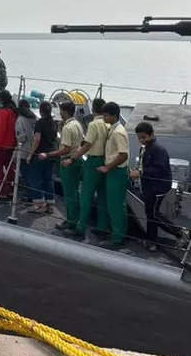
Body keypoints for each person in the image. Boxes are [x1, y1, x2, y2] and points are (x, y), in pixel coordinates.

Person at [65, 98, 110, 240]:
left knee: (86, 196)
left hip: (93, 161)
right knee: (102, 196)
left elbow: (87, 145)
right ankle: (102, 228)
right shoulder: (109, 124)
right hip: (106, 161)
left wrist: (73, 158)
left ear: (93, 109)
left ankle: (80, 228)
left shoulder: (94, 124)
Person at [39, 101, 84, 230]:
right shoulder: (77, 125)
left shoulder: (67, 127)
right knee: (74, 192)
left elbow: (65, 149)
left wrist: (48, 154)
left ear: (65, 111)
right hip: (77, 160)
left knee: (69, 194)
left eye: (61, 110)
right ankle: (74, 218)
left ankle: (71, 222)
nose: (60, 113)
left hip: (67, 161)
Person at [130, 121, 172, 252]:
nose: (142, 140)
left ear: (152, 134)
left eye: (144, 137)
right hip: (149, 186)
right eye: (140, 138)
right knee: (151, 213)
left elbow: (159, 168)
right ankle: (151, 239)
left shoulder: (158, 150)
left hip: (157, 186)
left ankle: (178, 233)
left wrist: (141, 173)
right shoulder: (145, 148)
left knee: (153, 214)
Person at [93, 102, 130, 249]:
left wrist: (107, 167)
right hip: (114, 172)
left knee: (115, 206)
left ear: (114, 116)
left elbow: (123, 155)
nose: (104, 118)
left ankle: (117, 238)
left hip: (117, 172)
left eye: (106, 115)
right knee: (114, 205)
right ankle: (117, 233)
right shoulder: (112, 129)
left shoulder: (118, 132)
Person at [26, 101, 58, 214]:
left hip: (40, 155)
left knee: (35, 179)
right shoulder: (54, 123)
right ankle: (50, 204)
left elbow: (37, 139)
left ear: (40, 111)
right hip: (51, 154)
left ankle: (38, 204)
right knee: (48, 180)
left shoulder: (40, 123)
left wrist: (30, 155)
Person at [0, 90, 19, 200]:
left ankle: (2, 192)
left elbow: (1, 129)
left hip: (2, 146)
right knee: (10, 168)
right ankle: (11, 191)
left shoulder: (3, 112)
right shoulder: (13, 111)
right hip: (11, 144)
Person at [14, 99, 38, 199]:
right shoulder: (34, 118)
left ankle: (29, 195)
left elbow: (21, 137)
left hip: (24, 151)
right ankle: (35, 195)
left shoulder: (20, 120)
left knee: (25, 175)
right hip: (34, 150)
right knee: (32, 174)